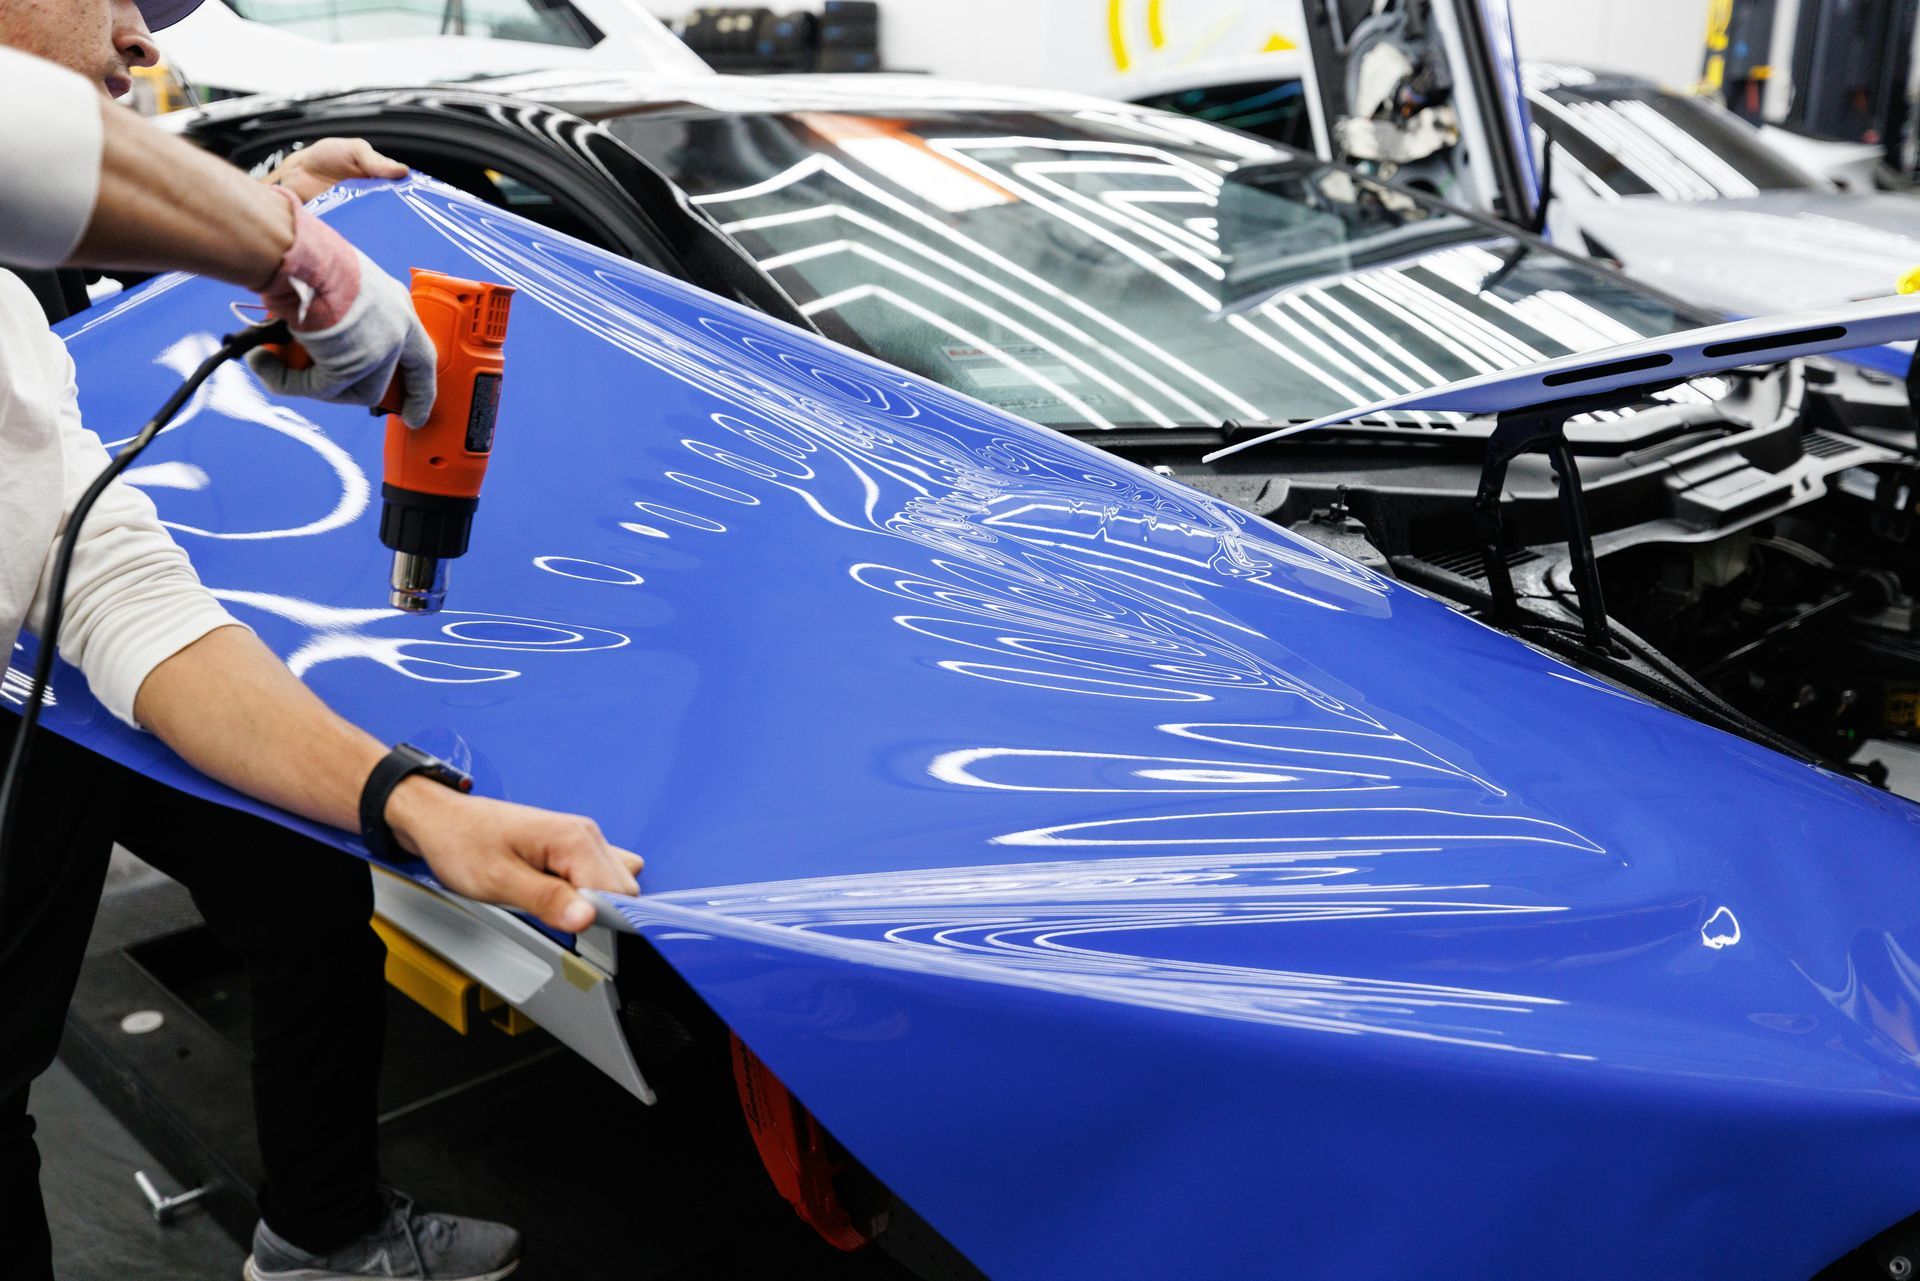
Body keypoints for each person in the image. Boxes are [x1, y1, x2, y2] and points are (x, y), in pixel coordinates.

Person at [0, 4, 645, 1280]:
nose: (138, 32)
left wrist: (268, 222)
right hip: (29, 684)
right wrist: (293, 255)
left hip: (76, 652)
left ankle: (324, 1232)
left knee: (297, 897)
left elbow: (95, 566)